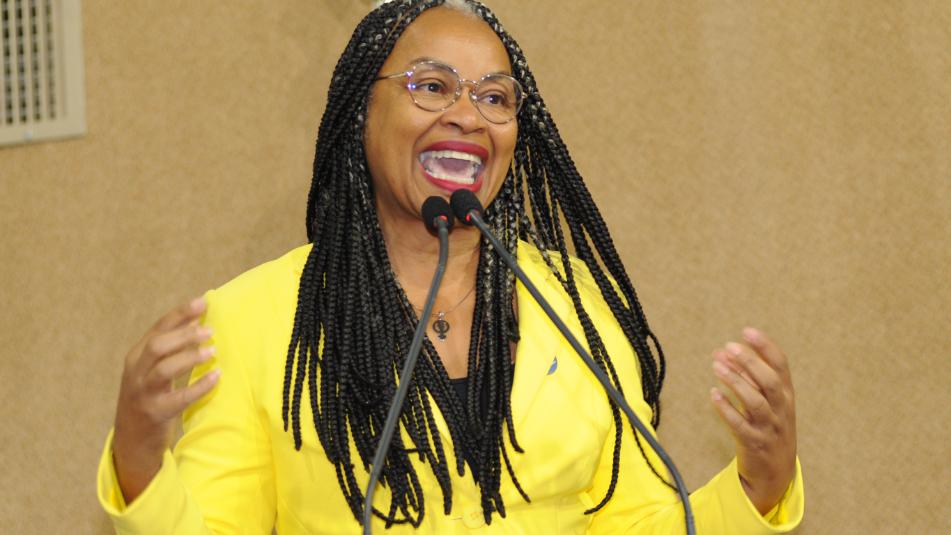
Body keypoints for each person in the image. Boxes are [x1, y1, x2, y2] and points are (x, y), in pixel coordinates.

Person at [97, 1, 803, 533]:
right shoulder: (252, 320)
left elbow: (642, 520)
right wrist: (138, 460)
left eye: (494, 97)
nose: (468, 115)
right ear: (360, 112)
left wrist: (759, 485)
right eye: (431, 86)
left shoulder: (573, 303)